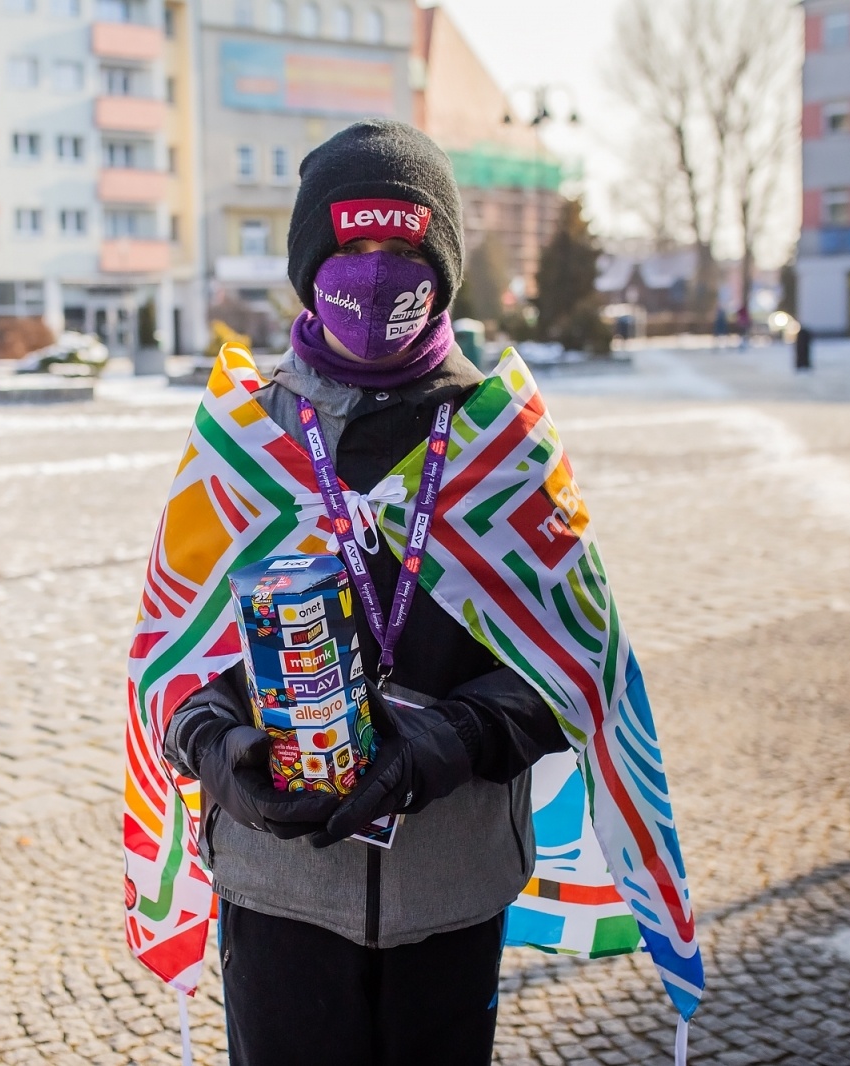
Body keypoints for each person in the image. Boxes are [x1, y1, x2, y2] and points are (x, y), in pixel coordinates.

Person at [158, 121, 570, 1066]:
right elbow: (167, 654)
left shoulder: (502, 444)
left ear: (444, 265)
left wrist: (449, 740)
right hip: (276, 888)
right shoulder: (243, 441)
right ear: (311, 262)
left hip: (451, 888)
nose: (377, 273)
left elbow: (573, 666)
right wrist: (221, 750)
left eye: (403, 249)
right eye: (351, 247)